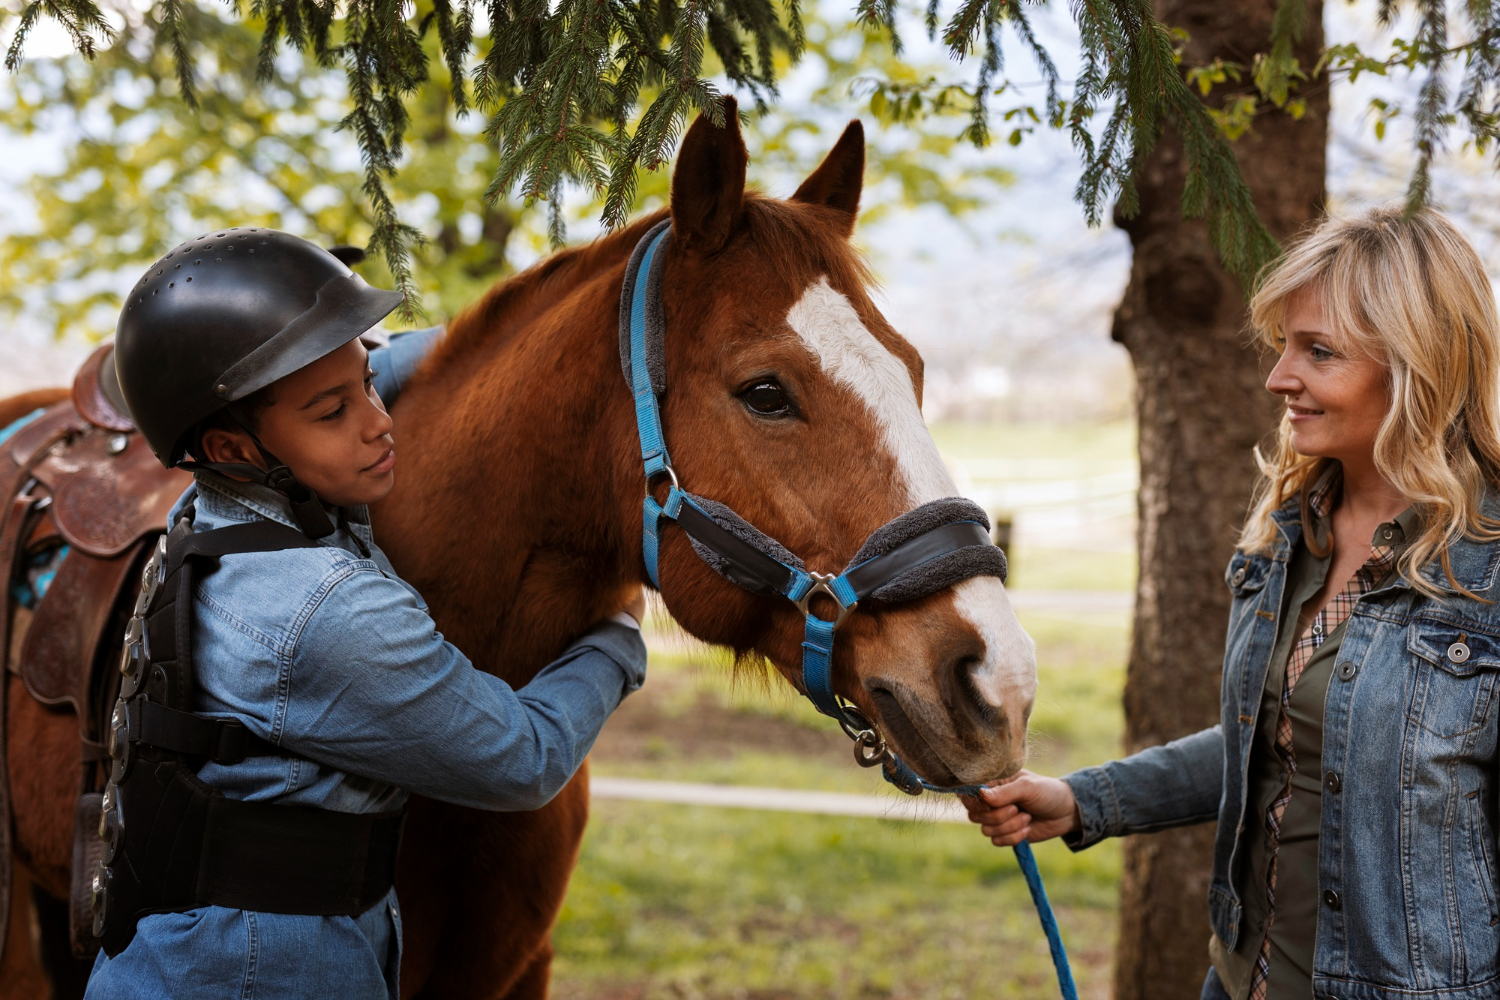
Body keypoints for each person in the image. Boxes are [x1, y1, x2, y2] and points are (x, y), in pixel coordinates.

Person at [86, 229, 647, 999]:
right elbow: (523, 759)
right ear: (234, 447)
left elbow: (362, 369)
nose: (379, 421)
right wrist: (619, 637)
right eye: (334, 412)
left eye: (368, 386)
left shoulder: (213, 507)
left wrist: (535, 331)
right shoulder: (324, 612)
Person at [965, 205, 1500, 1000]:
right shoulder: (1287, 537)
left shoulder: (1486, 569)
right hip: (1242, 981)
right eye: (1284, 345)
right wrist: (1083, 801)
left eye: (1319, 352)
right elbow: (1273, 741)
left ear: (1417, 367)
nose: (1279, 377)